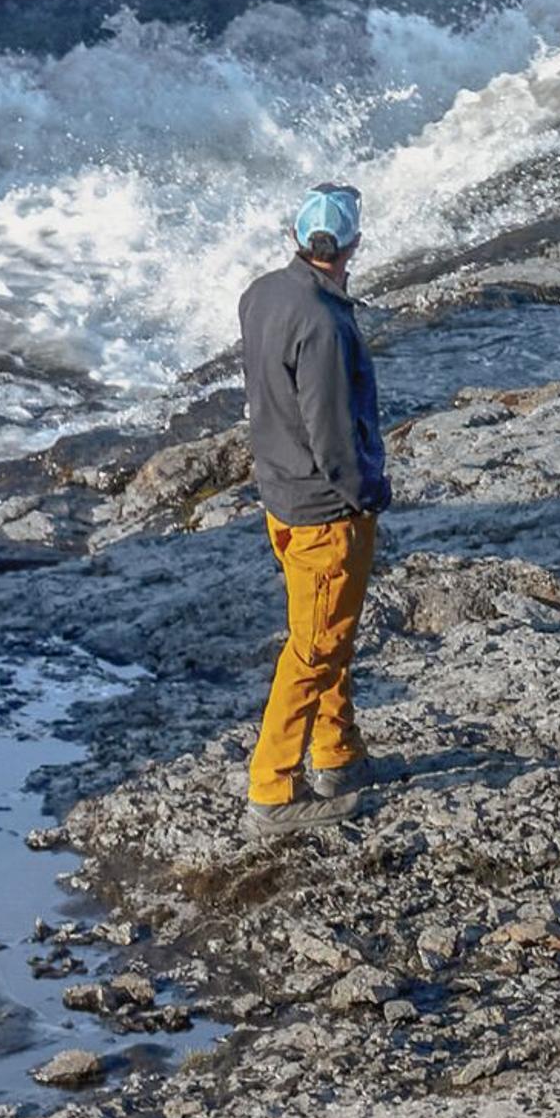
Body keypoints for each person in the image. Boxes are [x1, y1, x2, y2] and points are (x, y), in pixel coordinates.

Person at [235, 184, 391, 838]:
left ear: (297, 240)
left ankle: (335, 756)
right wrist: (366, 492)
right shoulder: (324, 324)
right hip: (324, 510)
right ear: (352, 245)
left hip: (280, 493)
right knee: (315, 647)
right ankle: (271, 789)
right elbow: (331, 435)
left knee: (327, 632)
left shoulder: (262, 293)